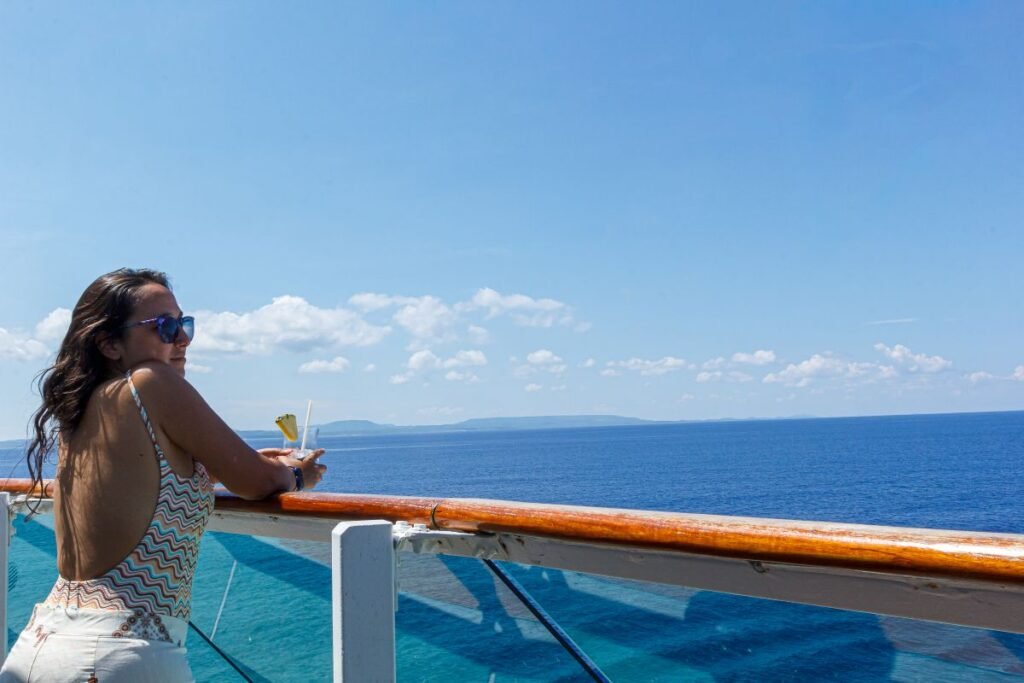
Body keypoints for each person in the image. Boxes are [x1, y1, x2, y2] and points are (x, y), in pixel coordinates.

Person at [0, 268, 325, 683]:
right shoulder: (150, 382)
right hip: (119, 651)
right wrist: (296, 474)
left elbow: (139, 487)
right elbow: (258, 483)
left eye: (184, 324)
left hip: (41, 646)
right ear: (109, 342)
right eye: (165, 327)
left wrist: (213, 470)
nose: (183, 339)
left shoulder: (81, 410)